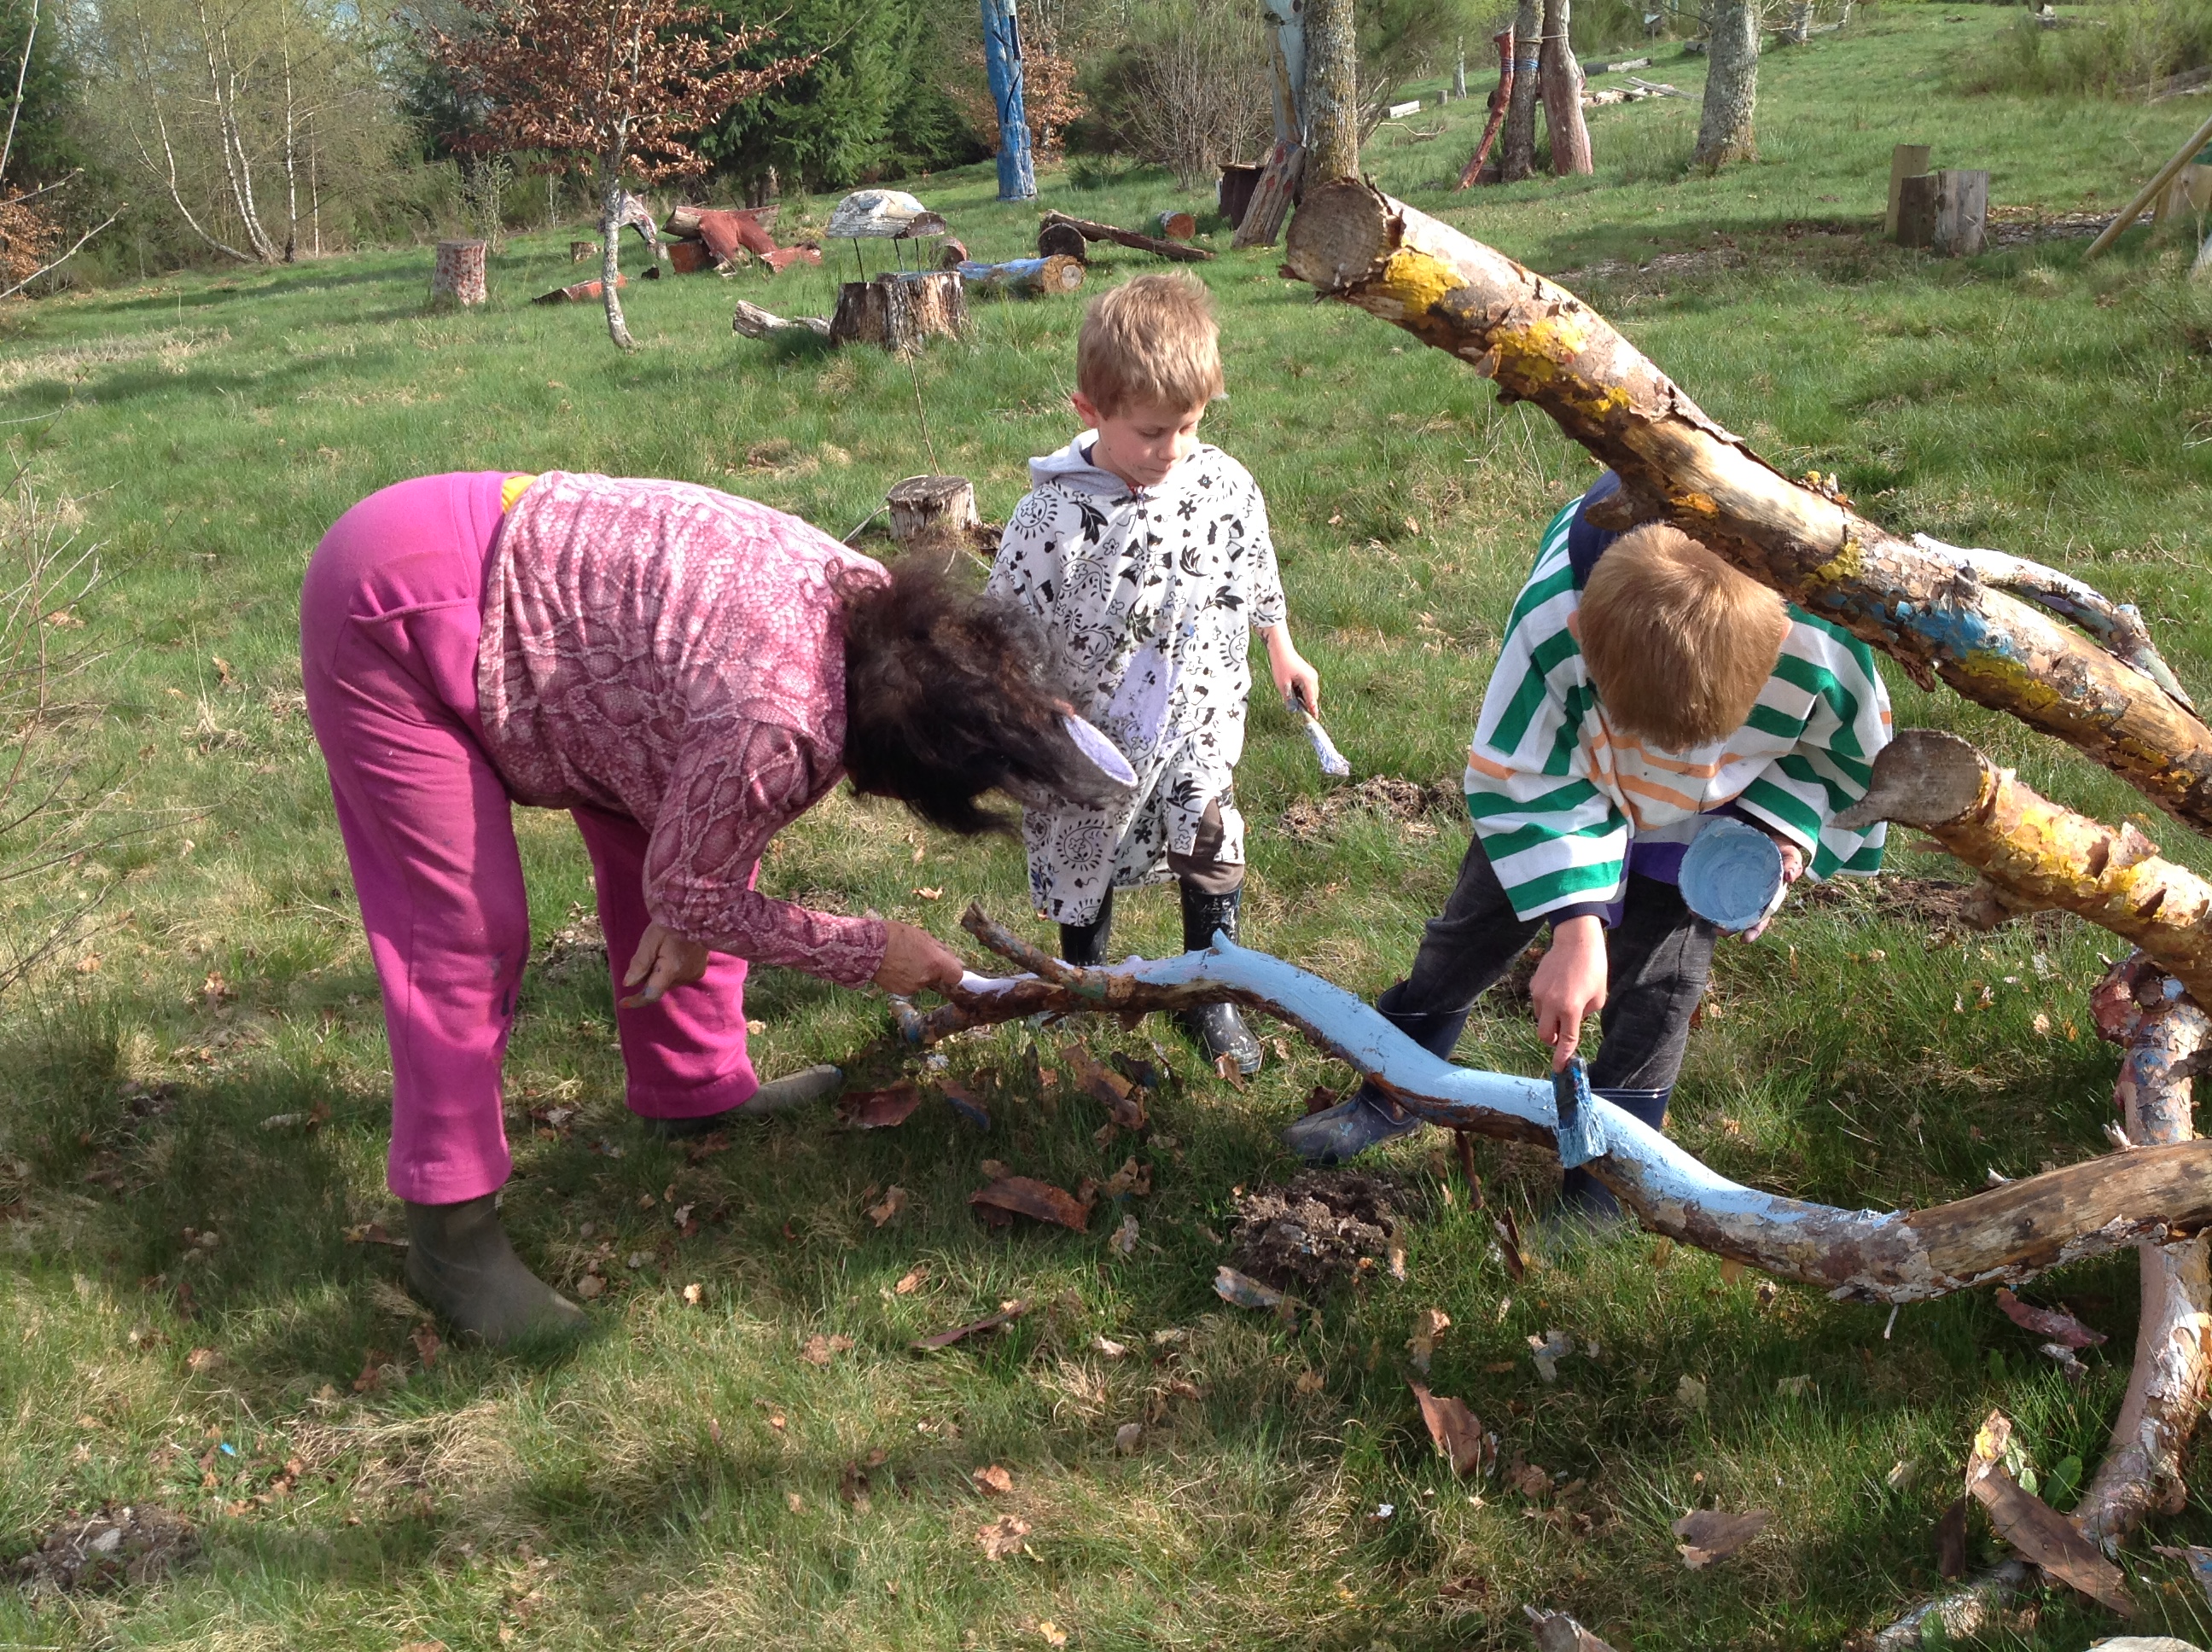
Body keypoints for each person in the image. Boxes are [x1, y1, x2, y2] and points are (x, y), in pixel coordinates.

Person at [302, 469, 1125, 1343]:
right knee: (466, 933)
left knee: (694, 819)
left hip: (541, 592)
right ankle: (451, 1234)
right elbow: (691, 886)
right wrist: (864, 947)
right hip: (397, 605)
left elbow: (707, 832)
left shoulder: (876, 607)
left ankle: (690, 1085)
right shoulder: (780, 726)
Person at [1284, 473, 1892, 1208]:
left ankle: (1611, 1179)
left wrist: (1776, 829)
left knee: (1657, 990)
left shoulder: (1820, 638)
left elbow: (1843, 760)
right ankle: (1394, 1090)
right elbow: (1527, 771)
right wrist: (1575, 924)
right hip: (1573, 778)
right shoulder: (1557, 614)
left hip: (1716, 811)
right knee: (1468, 936)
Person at [987, 273, 1320, 1073]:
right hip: (1092, 733)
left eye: (1189, 427)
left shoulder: (1221, 483)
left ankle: (1212, 991)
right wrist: (1033, 696)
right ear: (1090, 412)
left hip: (1199, 710)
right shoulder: (1050, 517)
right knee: (1083, 851)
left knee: (1211, 837)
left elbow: (1253, 567)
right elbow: (1001, 624)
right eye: (1150, 433)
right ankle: (1083, 978)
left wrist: (1280, 646)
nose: (1172, 450)